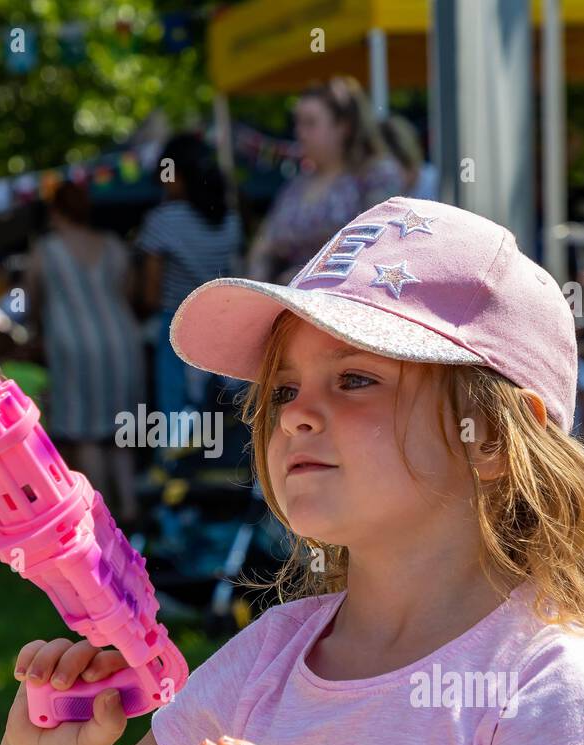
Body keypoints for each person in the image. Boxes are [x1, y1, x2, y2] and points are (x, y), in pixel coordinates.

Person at [0, 197, 584, 745]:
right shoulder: (267, 662)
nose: (295, 415)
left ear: (492, 442)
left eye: (355, 379)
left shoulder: (544, 688)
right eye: (285, 388)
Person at [22, 181, 144, 527]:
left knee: (87, 431)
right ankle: (132, 507)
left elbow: (31, 298)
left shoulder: (46, 249)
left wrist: (36, 330)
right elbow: (129, 292)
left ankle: (104, 515)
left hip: (73, 344)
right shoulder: (113, 245)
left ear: (55, 211)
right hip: (121, 341)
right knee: (120, 429)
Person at [247, 76, 407, 285]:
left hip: (347, 301)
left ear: (344, 126)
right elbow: (262, 246)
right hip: (288, 302)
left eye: (310, 123)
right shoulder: (295, 186)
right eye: (298, 122)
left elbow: (380, 245)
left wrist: (306, 277)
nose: (300, 132)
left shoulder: (375, 176)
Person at [134, 133, 242, 421]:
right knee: (216, 412)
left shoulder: (163, 220)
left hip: (176, 326)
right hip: (220, 323)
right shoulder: (231, 220)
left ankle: (173, 465)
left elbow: (150, 294)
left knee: (176, 417)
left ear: (176, 174)